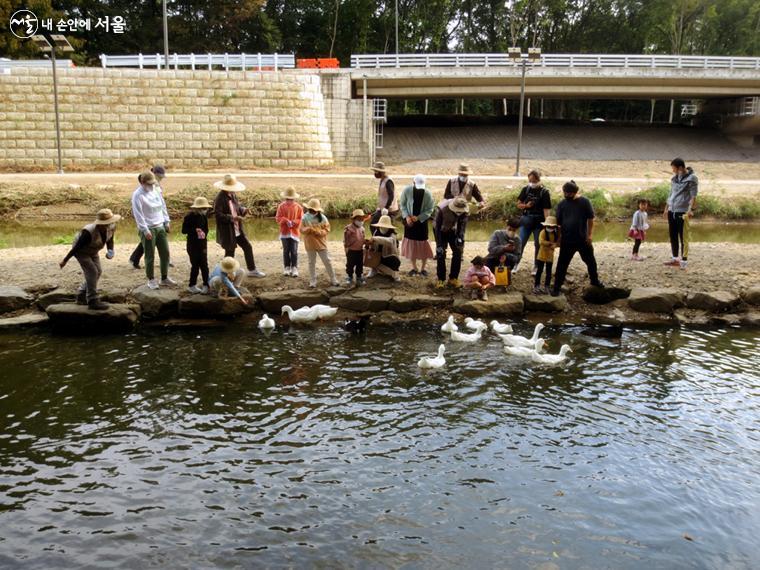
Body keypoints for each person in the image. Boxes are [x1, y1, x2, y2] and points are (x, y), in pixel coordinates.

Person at [59, 208, 121, 310]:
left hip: (93, 250)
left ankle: (81, 294)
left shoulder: (112, 227)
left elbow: (110, 240)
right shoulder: (88, 232)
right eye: (106, 223)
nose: (109, 224)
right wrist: (65, 260)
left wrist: (111, 250)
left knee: (98, 271)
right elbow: (76, 247)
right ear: (100, 223)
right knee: (92, 272)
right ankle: (92, 300)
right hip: (81, 252)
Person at [551, 181, 604, 296]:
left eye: (570, 194)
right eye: (565, 193)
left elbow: (591, 219)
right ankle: (556, 287)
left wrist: (589, 235)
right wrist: (558, 240)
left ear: (575, 192)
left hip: (582, 240)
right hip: (567, 240)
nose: (567, 195)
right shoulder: (561, 205)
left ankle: (594, 280)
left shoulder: (585, 202)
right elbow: (558, 225)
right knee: (562, 265)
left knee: (590, 261)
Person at [212, 174, 266, 278]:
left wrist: (244, 210)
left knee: (247, 247)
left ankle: (252, 270)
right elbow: (218, 215)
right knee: (230, 252)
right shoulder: (219, 199)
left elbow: (236, 208)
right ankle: (225, 273)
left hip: (237, 229)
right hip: (228, 230)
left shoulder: (233, 195)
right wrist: (233, 218)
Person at [131, 170, 175, 290]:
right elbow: (138, 214)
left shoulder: (155, 190)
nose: (151, 186)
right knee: (150, 255)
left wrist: (167, 221)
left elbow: (163, 206)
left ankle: (164, 277)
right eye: (148, 184)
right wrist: (145, 230)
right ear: (142, 182)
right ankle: (151, 279)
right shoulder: (137, 195)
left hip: (160, 225)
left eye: (152, 183)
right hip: (149, 228)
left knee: (165, 253)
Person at [129, 164, 168, 269]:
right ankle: (134, 258)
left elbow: (161, 202)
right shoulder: (142, 188)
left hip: (156, 217)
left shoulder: (155, 185)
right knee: (148, 240)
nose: (160, 179)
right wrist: (144, 228)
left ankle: (134, 258)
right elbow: (138, 209)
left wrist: (165, 219)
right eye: (159, 177)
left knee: (151, 240)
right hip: (147, 218)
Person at [664, 158, 698, 270]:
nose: (672, 170)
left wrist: (689, 210)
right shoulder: (674, 178)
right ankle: (675, 259)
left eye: (673, 168)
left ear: (680, 167)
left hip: (682, 212)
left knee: (683, 237)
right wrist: (666, 208)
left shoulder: (692, 179)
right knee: (673, 235)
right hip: (672, 211)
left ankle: (684, 261)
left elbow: (693, 196)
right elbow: (671, 194)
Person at [399, 173, 435, 277]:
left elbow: (430, 209)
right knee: (411, 244)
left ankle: (423, 268)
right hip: (409, 222)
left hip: (421, 223)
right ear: (413, 182)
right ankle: (414, 268)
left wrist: (419, 217)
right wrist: (407, 217)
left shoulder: (427, 193)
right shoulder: (407, 190)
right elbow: (403, 204)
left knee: (423, 244)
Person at [516, 169, 552, 272]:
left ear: (539, 180)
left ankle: (536, 265)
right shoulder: (525, 189)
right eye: (530, 180)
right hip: (526, 219)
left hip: (539, 221)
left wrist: (547, 224)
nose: (532, 183)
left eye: (534, 181)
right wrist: (526, 206)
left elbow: (546, 210)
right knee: (521, 242)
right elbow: (519, 204)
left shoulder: (544, 192)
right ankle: (516, 263)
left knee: (538, 244)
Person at [433, 196, 470, 288]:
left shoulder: (465, 210)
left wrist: (460, 237)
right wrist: (439, 244)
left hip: (455, 232)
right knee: (441, 253)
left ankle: (453, 278)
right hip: (442, 231)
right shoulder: (442, 209)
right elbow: (437, 227)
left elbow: (463, 225)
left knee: (458, 253)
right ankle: (441, 279)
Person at [301, 198, 339, 288]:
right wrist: (308, 229)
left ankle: (333, 279)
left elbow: (327, 229)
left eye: (314, 210)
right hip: (310, 243)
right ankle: (313, 281)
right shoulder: (305, 217)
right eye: (311, 209)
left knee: (327, 261)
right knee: (311, 262)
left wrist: (320, 232)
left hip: (321, 243)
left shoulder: (323, 218)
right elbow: (301, 230)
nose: (313, 211)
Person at [182, 196, 210, 294]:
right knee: (195, 265)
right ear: (197, 208)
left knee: (204, 264)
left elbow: (206, 229)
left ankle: (206, 284)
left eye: (205, 208)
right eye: (203, 208)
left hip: (202, 244)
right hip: (192, 244)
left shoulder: (204, 216)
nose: (205, 210)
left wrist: (203, 234)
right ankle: (192, 285)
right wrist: (194, 230)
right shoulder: (188, 217)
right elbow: (183, 231)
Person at [275, 186, 303, 277]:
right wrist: (285, 220)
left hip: (294, 232)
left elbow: (301, 219)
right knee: (286, 250)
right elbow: (278, 218)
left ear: (294, 198)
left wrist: (294, 222)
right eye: (287, 199)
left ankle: (294, 267)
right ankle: (286, 267)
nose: (289, 201)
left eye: (291, 199)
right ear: (285, 198)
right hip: (284, 232)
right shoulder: (281, 206)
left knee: (294, 250)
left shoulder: (298, 207)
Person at [367, 211, 401, 282]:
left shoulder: (392, 234)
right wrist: (369, 245)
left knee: (395, 262)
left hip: (389, 256)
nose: (383, 227)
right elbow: (373, 244)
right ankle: (374, 269)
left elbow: (389, 241)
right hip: (377, 255)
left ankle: (394, 274)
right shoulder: (376, 232)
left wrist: (375, 239)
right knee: (368, 255)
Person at [535, 216, 560, 295]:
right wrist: (550, 243)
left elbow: (558, 243)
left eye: (551, 226)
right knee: (539, 271)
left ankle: (547, 286)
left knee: (549, 272)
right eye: (548, 226)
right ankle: (536, 285)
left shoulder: (556, 234)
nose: (550, 227)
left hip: (550, 256)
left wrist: (556, 245)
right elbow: (541, 241)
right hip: (541, 255)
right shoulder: (543, 232)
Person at [344, 209, 367, 287]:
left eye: (362, 219)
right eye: (359, 219)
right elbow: (346, 241)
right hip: (351, 251)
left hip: (360, 250)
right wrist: (346, 250)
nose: (361, 221)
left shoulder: (362, 229)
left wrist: (367, 242)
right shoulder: (348, 229)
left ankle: (359, 277)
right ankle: (349, 276)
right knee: (350, 265)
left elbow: (362, 239)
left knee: (359, 264)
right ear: (354, 219)